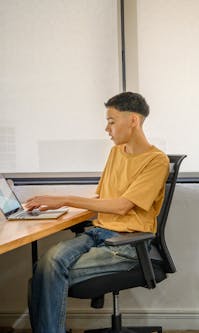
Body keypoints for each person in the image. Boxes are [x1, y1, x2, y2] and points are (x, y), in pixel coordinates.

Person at [26, 92, 170, 333]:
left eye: (112, 121)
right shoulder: (116, 153)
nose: (107, 128)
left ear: (133, 121)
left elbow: (123, 205)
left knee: (46, 276)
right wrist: (56, 206)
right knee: (45, 265)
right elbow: (102, 198)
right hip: (98, 234)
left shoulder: (157, 161)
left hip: (126, 244)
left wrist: (65, 199)